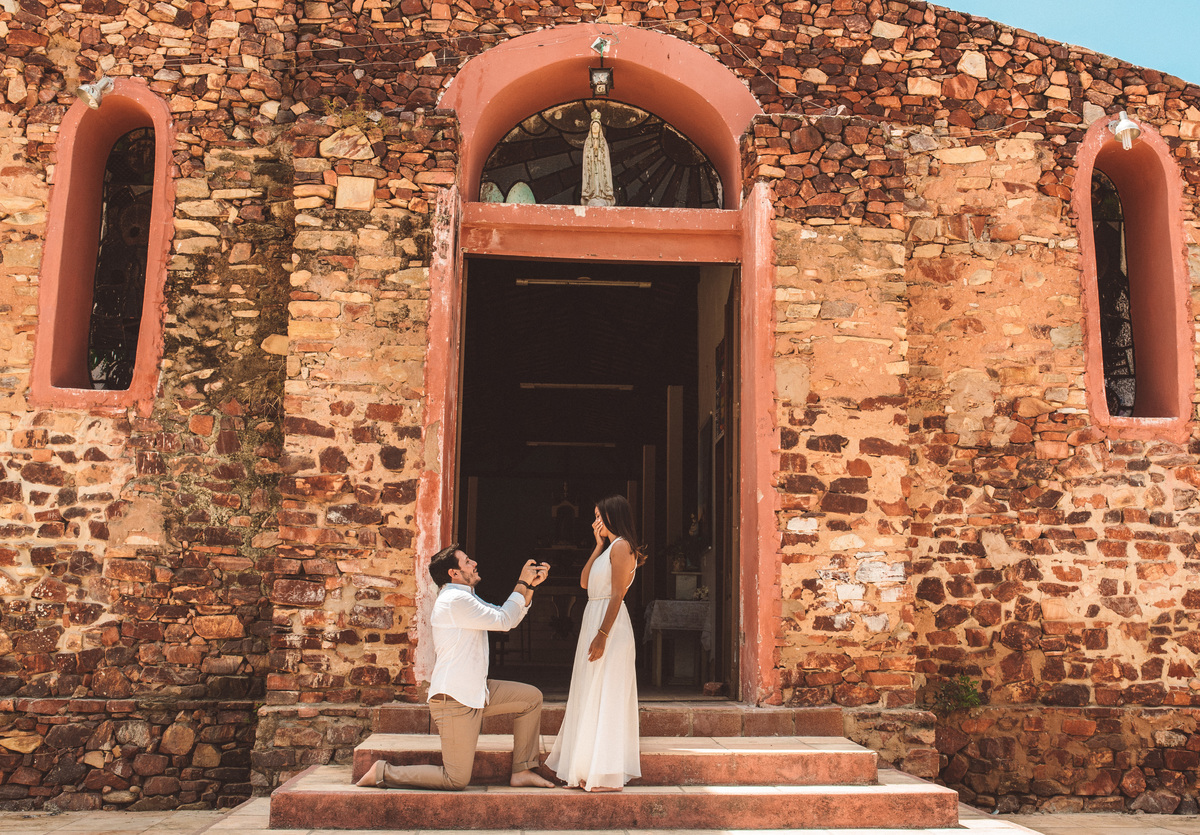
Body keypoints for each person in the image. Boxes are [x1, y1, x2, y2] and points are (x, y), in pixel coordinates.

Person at [356, 544, 555, 791]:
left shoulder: (464, 597)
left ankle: (523, 769)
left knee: (530, 698)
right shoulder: (455, 600)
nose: (474, 564)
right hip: (454, 700)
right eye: (467, 561)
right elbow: (505, 620)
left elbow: (505, 616)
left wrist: (529, 586)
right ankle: (382, 772)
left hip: (476, 691)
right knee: (456, 779)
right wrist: (522, 582)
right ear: (454, 573)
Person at [545, 495, 644, 791]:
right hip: (594, 617)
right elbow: (584, 582)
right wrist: (598, 544)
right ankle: (589, 766)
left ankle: (606, 773)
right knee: (591, 692)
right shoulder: (608, 549)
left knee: (608, 692)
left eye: (599, 517)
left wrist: (602, 635)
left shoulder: (624, 546)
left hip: (609, 625)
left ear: (613, 517)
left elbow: (617, 595)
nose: (594, 522)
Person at [581, 109, 615, 207]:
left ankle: (602, 195)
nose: (595, 128)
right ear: (591, 128)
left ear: (600, 128)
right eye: (594, 127)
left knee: (600, 180)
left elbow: (606, 159)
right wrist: (592, 153)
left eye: (597, 127)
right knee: (592, 179)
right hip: (591, 165)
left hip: (601, 166)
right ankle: (592, 195)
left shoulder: (603, 141)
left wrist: (599, 153)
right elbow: (586, 157)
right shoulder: (588, 141)